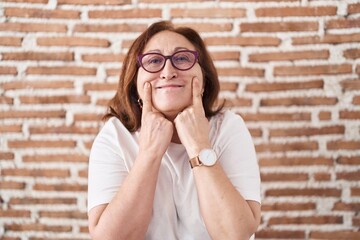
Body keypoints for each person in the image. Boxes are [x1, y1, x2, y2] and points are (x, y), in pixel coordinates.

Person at [87, 20, 261, 240]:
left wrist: (199, 146)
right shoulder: (114, 136)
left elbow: (236, 235)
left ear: (203, 79)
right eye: (153, 61)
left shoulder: (229, 128)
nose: (168, 71)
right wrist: (149, 153)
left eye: (182, 58)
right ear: (135, 83)